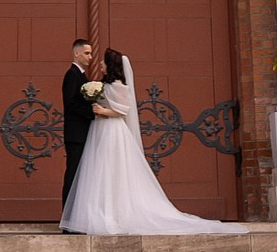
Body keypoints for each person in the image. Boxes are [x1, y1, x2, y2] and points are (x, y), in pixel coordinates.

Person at [59, 47, 237, 235]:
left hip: (112, 131)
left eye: (103, 61)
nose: (99, 63)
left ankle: (113, 213)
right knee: (98, 170)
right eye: (90, 55)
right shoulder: (103, 85)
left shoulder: (119, 85)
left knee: (111, 169)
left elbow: (123, 110)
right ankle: (96, 211)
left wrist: (103, 111)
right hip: (99, 131)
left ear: (110, 65)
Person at [60, 37, 96, 213]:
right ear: (77, 53)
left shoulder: (81, 75)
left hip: (82, 133)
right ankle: (68, 219)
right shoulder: (72, 74)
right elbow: (71, 102)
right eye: (87, 53)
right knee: (73, 175)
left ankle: (76, 216)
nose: (90, 57)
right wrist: (93, 111)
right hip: (76, 135)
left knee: (80, 176)